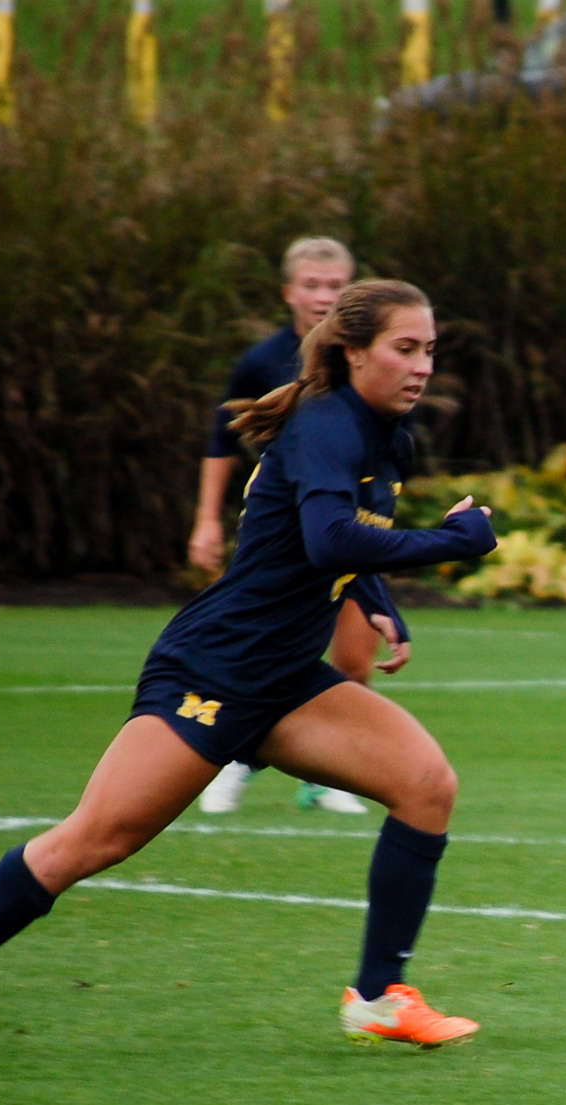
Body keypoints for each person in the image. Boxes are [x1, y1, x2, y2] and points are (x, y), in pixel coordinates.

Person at [0, 279, 499, 1063]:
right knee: (93, 841)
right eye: (405, 348)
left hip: (284, 678)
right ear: (353, 351)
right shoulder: (324, 425)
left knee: (426, 783)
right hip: (215, 668)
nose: (422, 366)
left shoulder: (385, 436)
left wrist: (376, 603)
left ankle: (378, 997)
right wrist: (454, 541)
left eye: (430, 350)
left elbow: (343, 541)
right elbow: (332, 540)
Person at [192, 236, 379, 813]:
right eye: (312, 284)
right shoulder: (263, 360)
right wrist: (207, 520)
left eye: (335, 285)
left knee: (354, 659)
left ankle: (325, 776)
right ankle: (235, 756)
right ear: (288, 292)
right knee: (265, 654)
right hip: (284, 543)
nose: (323, 296)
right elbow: (223, 439)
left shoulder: (368, 362)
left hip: (344, 531)